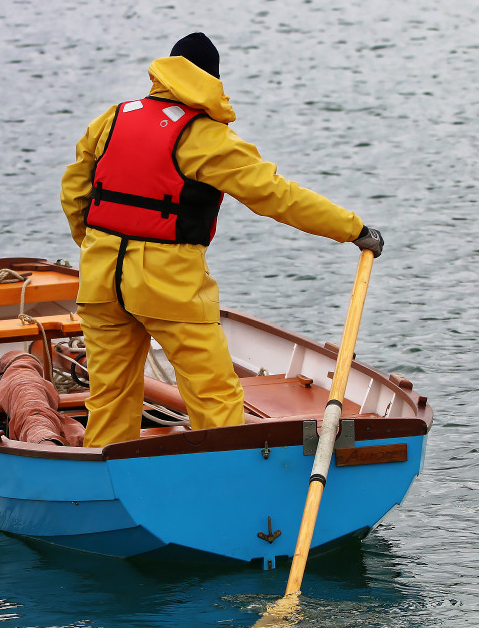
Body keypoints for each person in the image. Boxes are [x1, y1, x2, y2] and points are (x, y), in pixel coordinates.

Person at [60, 31, 383, 448]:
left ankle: (103, 487)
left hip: (100, 277)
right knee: (214, 398)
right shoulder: (205, 138)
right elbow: (278, 196)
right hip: (168, 284)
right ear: (211, 79)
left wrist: (92, 246)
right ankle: (232, 488)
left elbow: (75, 191)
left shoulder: (113, 118)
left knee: (110, 399)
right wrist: (353, 229)